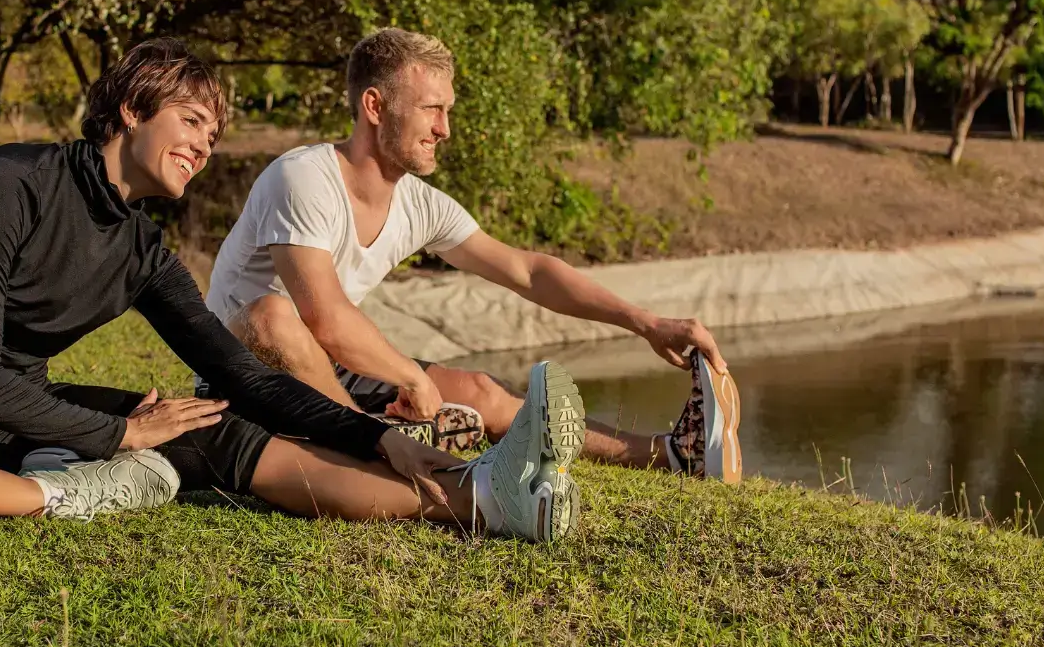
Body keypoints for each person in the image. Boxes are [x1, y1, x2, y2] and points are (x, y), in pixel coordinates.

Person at [0, 38, 584, 542]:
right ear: (132, 109)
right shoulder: (9, 184)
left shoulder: (141, 248)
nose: (205, 144)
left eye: (214, 133)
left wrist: (372, 436)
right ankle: (58, 498)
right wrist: (116, 440)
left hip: (22, 423)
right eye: (193, 121)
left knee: (217, 423)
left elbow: (242, 374)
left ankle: (481, 501)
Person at [202, 28, 742, 481]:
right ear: (374, 105)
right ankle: (375, 447)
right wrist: (412, 380)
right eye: (431, 109)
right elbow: (324, 316)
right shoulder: (304, 178)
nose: (445, 128)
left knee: (480, 391)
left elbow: (527, 272)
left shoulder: (417, 203)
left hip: (325, 371)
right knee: (272, 315)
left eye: (447, 110)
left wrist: (645, 322)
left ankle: (672, 456)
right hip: (241, 374)